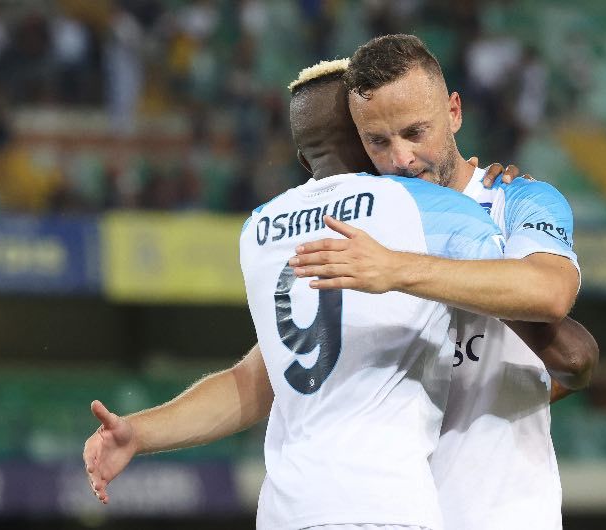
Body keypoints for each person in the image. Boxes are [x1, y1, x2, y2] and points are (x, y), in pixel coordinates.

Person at [85, 59, 506, 530]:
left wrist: (138, 432)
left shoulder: (258, 229)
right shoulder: (430, 204)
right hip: (380, 504)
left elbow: (253, 380)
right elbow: (534, 292)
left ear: (304, 159)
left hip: (286, 510)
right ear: (367, 137)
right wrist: (496, 192)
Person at [289, 34, 598, 529]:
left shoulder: (510, 201)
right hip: (388, 515)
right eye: (378, 141)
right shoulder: (360, 235)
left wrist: (408, 264)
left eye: (416, 132)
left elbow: (566, 334)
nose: (402, 159)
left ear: (454, 112)